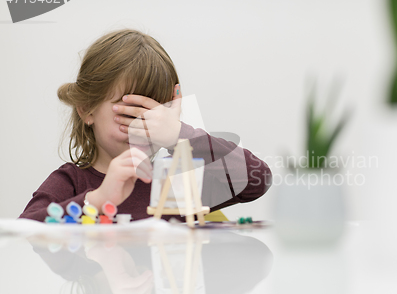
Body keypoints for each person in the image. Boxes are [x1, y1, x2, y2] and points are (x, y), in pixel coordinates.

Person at [19, 28, 272, 222]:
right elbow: (26, 233)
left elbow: (258, 179)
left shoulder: (178, 182)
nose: (142, 127)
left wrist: (179, 134)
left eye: (155, 115)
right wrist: (97, 200)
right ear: (87, 109)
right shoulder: (71, 182)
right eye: (130, 113)